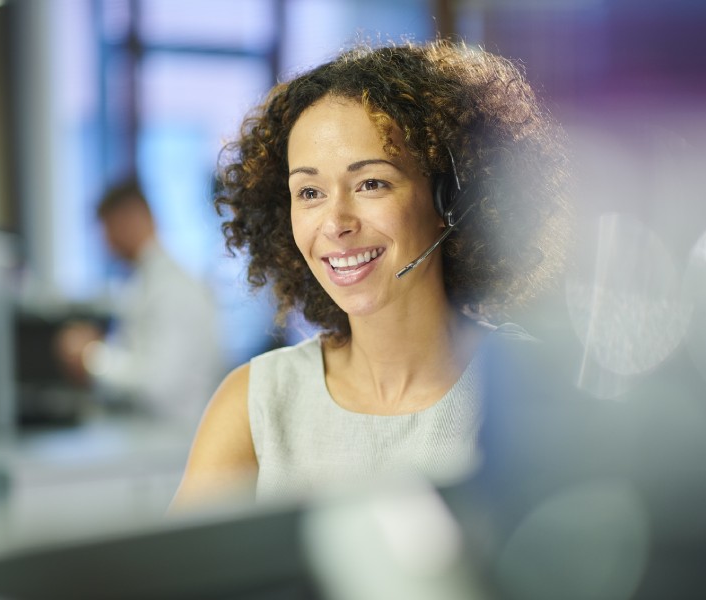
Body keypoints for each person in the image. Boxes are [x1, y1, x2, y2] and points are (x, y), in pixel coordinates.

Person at [171, 40, 570, 507]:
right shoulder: (254, 404)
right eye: (310, 192)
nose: (337, 223)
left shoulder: (538, 393)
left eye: (371, 183)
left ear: (451, 198)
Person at [56, 178, 221, 431]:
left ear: (129, 219)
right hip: (153, 438)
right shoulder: (145, 283)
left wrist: (92, 356)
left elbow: (159, 385)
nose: (106, 244)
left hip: (172, 441)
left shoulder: (172, 288)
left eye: (107, 229)